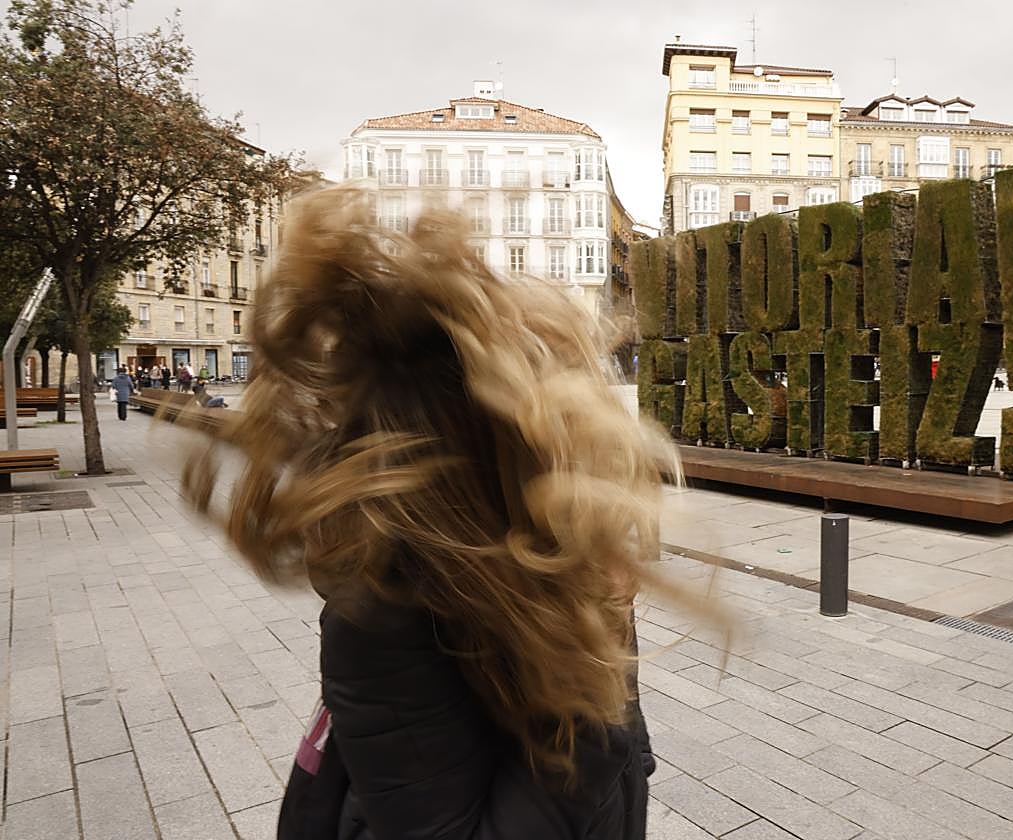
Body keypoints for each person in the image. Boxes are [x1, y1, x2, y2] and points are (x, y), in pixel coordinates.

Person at [181, 188, 684, 840]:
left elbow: (619, 761)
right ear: (501, 440)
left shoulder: (550, 545)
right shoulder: (385, 608)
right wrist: (604, 677)